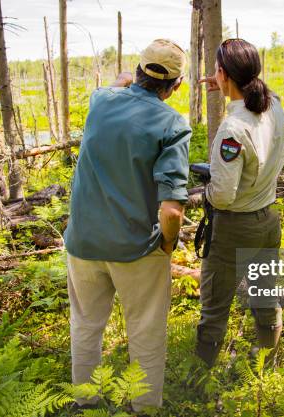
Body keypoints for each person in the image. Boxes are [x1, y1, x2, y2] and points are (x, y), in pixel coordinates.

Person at [63, 39, 191, 412]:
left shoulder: (100, 102)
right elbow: (171, 211)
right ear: (176, 85)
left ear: (137, 71)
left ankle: (85, 401)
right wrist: (167, 245)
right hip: (136, 249)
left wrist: (122, 82)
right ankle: (144, 407)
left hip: (83, 244)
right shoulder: (172, 123)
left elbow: (111, 88)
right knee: (146, 332)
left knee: (85, 326)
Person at [195, 38, 284, 367]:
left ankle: (200, 379)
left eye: (218, 73)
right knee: (265, 294)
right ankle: (268, 361)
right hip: (269, 220)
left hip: (236, 227)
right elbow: (257, 89)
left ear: (222, 73)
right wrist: (223, 82)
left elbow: (222, 194)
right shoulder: (273, 105)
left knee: (215, 305)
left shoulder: (232, 130)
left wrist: (202, 193)